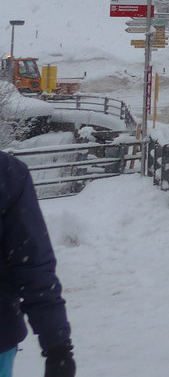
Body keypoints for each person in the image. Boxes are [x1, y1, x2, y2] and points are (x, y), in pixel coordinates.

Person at [0, 150, 75, 377]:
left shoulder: (7, 174)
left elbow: (31, 262)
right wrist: (57, 344)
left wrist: (57, 346)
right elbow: (32, 263)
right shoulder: (8, 172)